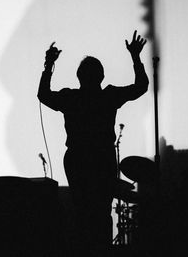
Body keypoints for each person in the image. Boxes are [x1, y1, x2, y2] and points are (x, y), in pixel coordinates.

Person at [37, 30, 149, 256]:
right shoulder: (109, 96)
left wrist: (49, 65)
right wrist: (135, 58)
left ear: (80, 77)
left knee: (81, 211)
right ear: (101, 76)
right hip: (102, 159)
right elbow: (141, 87)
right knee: (101, 211)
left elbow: (43, 94)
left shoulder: (71, 98)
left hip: (77, 159)